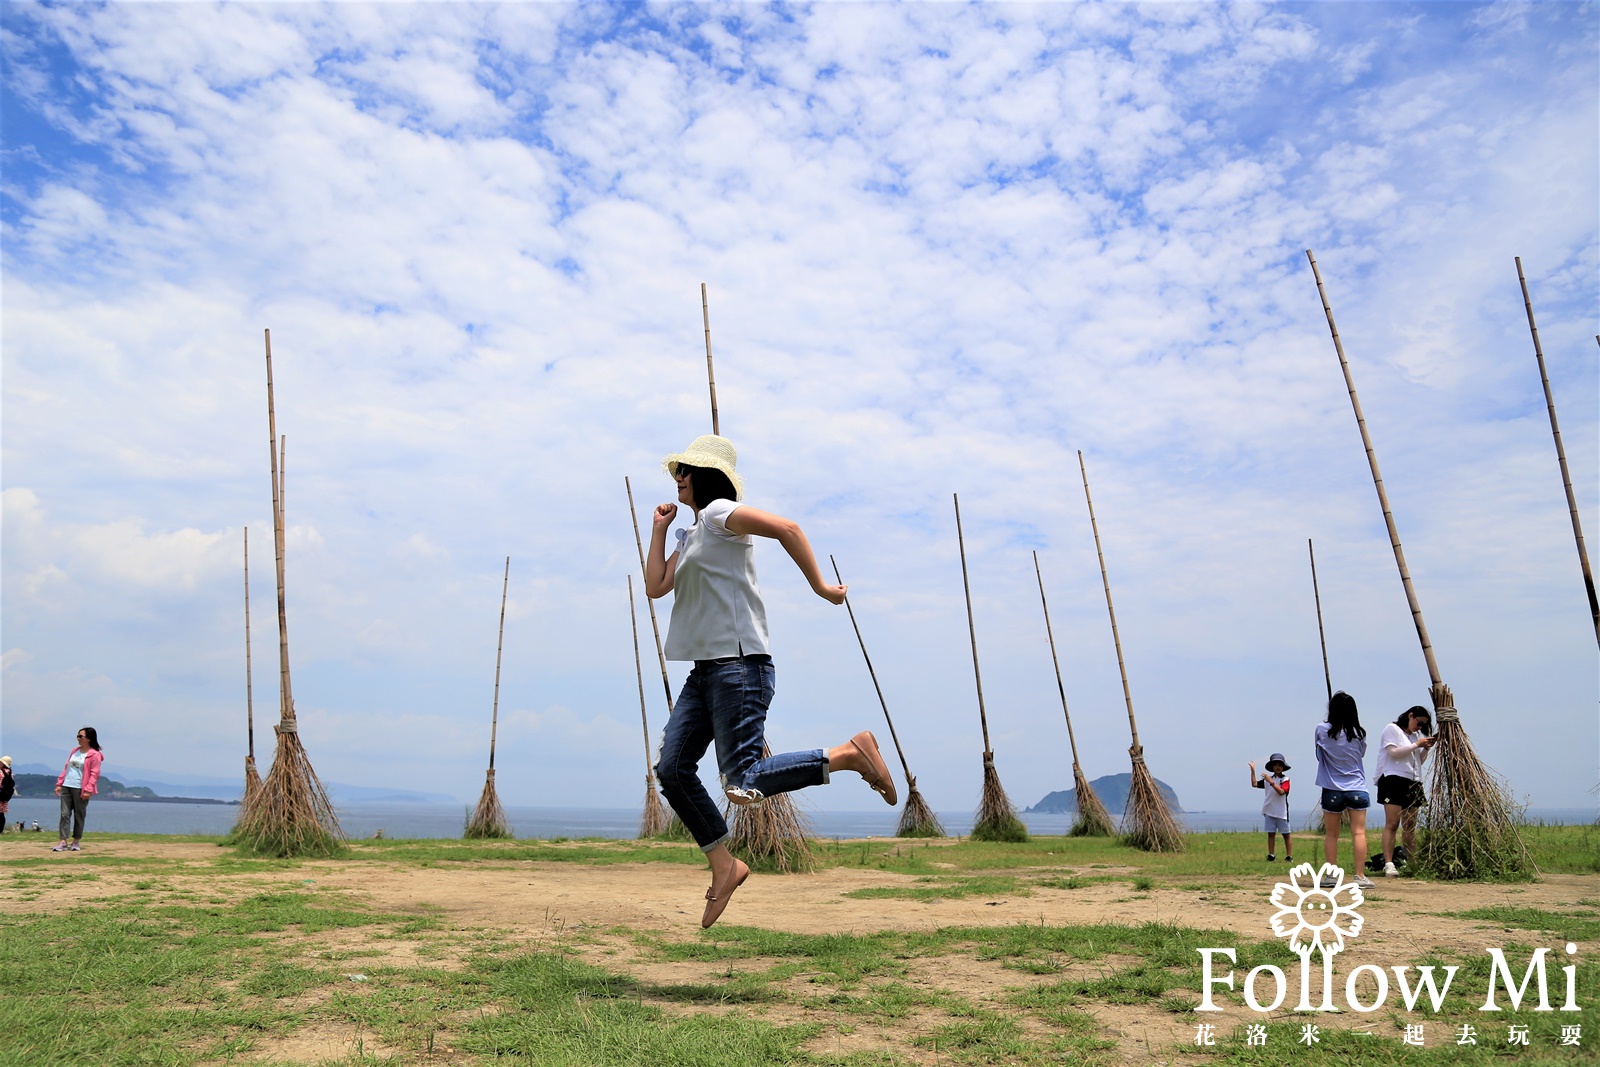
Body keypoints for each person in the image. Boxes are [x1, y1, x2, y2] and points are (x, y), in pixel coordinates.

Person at [646, 434, 897, 928]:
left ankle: (848, 754)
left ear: (703, 478)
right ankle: (724, 866)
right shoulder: (694, 533)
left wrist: (823, 588)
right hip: (705, 671)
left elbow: (787, 527)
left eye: (683, 472)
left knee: (742, 781)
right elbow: (656, 586)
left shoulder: (719, 512)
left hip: (740, 665)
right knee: (672, 770)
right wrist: (659, 531)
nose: (677, 479)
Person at [1314, 692, 1373, 889]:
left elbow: (1318, 753)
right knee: (1358, 833)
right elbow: (1361, 754)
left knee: (1332, 834)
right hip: (1357, 786)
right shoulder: (1359, 733)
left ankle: (1331, 875)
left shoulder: (1322, 730)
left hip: (1332, 788)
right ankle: (1359, 876)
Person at [1376, 705, 1435, 877]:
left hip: (1413, 781)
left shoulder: (1415, 736)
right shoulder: (1392, 729)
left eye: (1423, 725)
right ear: (1410, 716)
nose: (1420, 727)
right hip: (1393, 779)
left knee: (1410, 825)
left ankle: (1412, 862)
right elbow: (1393, 753)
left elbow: (1417, 761)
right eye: (1419, 722)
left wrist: (1425, 748)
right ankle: (1389, 863)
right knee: (1392, 824)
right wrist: (1417, 744)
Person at [54, 726, 103, 852]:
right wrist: (59, 783)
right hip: (67, 785)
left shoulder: (94, 755)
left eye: (81, 736)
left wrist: (88, 789)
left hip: (80, 788)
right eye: (78, 736)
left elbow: (94, 773)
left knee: (79, 815)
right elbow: (66, 767)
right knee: (64, 814)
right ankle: (63, 841)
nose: (78, 738)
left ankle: (76, 841)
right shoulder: (74, 751)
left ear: (88, 738)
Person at [1248, 753, 1292, 862]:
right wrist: (1253, 771)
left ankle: (1289, 856)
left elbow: (1282, 792)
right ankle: (1271, 855)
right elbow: (1254, 784)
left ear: (1283, 767)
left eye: (1280, 765)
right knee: (1271, 834)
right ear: (1272, 767)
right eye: (1275, 764)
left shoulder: (1285, 779)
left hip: (1281, 812)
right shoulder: (1268, 780)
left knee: (1286, 834)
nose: (1277, 767)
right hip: (1269, 811)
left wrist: (1271, 782)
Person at [0, 755, 14, 834]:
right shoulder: (10, 772)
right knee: (1, 813)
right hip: (5, 796)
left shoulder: (0, 772)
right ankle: (1, 829)